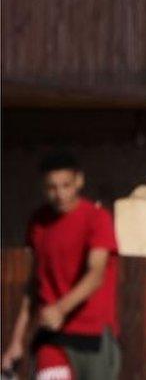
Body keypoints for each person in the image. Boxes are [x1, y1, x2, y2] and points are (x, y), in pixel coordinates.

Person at [0, 152, 120, 380]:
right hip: (53, 336)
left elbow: (96, 273)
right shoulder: (39, 223)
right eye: (52, 188)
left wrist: (61, 309)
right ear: (43, 188)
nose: (60, 194)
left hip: (93, 334)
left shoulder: (97, 219)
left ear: (79, 181)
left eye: (66, 185)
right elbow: (35, 284)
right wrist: (16, 341)